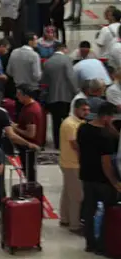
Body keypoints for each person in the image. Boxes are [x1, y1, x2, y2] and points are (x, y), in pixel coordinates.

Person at [77, 101, 121, 254]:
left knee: (89, 211)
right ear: (106, 117)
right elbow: (106, 163)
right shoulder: (106, 137)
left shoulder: (83, 128)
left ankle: (90, 243)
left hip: (86, 175)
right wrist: (115, 182)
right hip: (103, 180)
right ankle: (103, 244)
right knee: (108, 212)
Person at [59, 98, 89, 235]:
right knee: (77, 195)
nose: (86, 112)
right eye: (84, 109)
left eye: (88, 109)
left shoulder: (79, 122)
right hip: (72, 163)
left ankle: (65, 218)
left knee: (68, 193)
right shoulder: (70, 124)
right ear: (76, 109)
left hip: (68, 162)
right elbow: (75, 144)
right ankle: (75, 225)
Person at [42, 42, 78, 149]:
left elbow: (44, 80)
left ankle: (57, 144)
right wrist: (76, 92)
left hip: (52, 97)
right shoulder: (66, 60)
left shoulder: (47, 62)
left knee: (56, 122)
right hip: (66, 96)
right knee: (67, 121)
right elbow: (71, 77)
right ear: (64, 49)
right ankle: (67, 142)